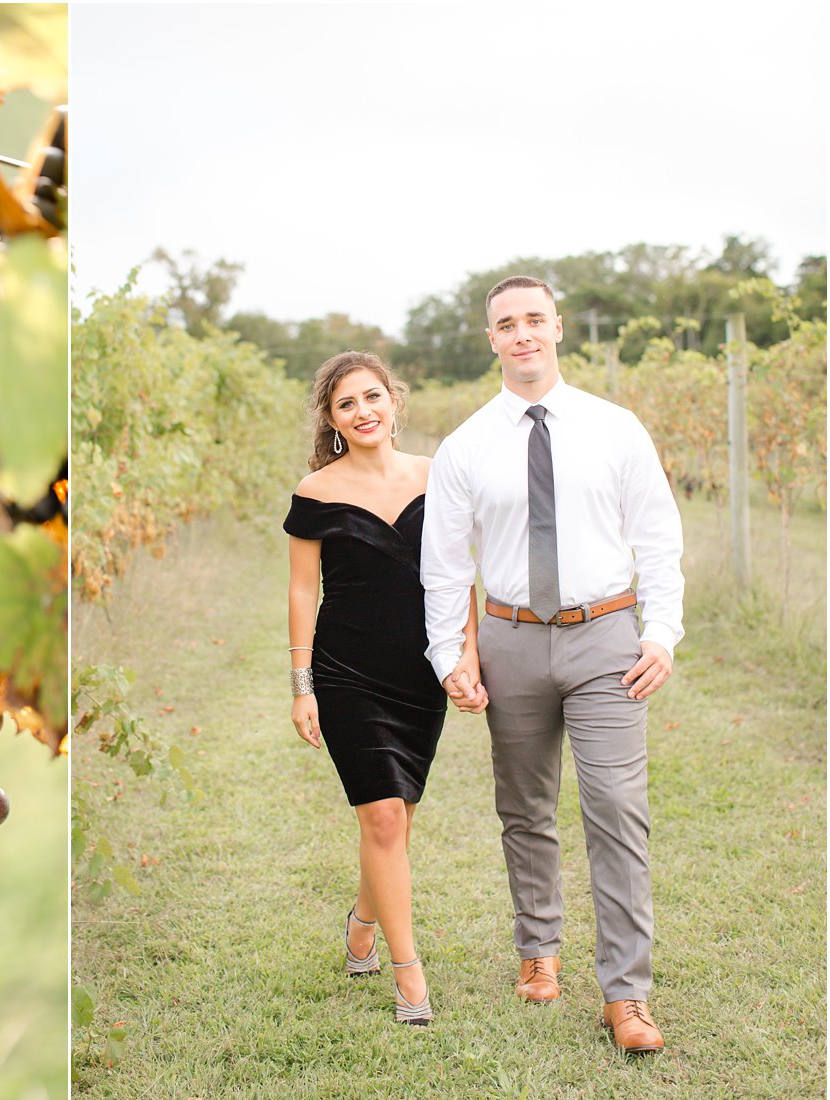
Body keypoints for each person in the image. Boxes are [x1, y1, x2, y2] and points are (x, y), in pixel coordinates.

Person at [421, 275, 684, 1055]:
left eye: (535, 318)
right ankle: (539, 949)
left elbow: (659, 535)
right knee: (525, 807)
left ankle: (626, 995)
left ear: (558, 327)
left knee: (615, 808)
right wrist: (448, 656)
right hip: (508, 640)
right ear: (492, 339)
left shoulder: (616, 428)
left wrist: (661, 631)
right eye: (507, 323)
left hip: (606, 637)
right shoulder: (466, 445)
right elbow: (443, 566)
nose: (523, 333)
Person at [285, 351, 483, 1027]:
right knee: (384, 818)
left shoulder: (439, 476)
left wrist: (467, 659)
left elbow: (461, 578)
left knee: (399, 817)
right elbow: (300, 589)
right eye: (347, 403)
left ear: (393, 400)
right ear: (332, 420)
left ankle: (363, 919)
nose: (363, 411)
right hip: (346, 672)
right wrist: (302, 683)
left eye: (372, 396)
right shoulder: (315, 492)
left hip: (419, 673)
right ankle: (409, 975)